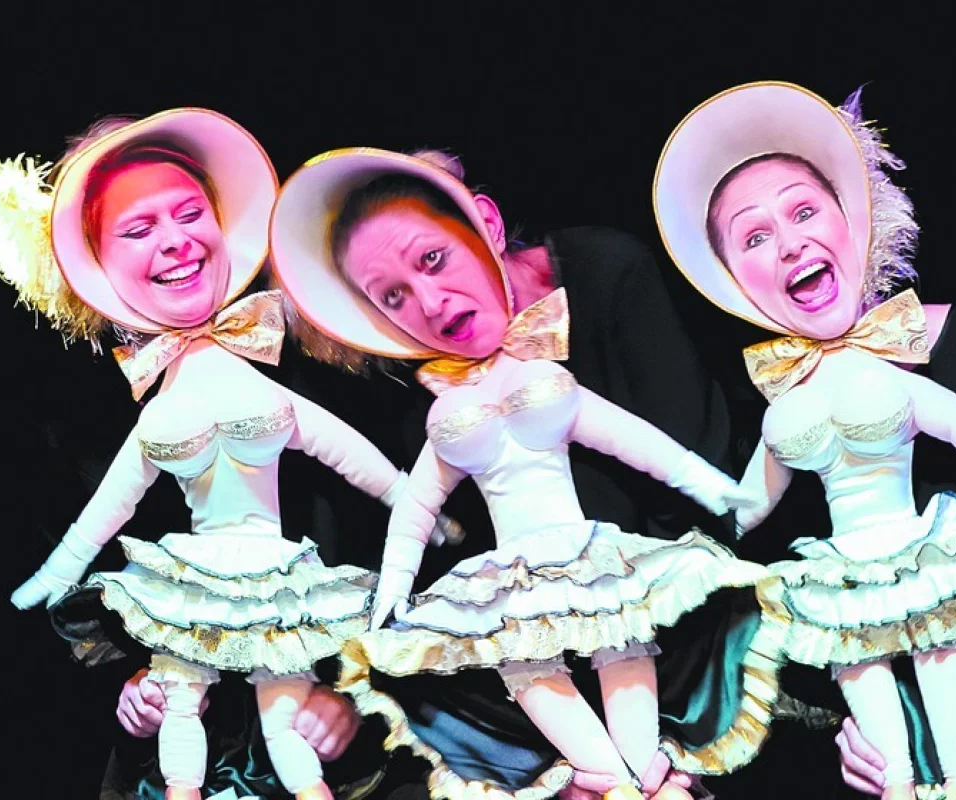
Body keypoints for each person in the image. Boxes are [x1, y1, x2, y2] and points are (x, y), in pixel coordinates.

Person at [653, 82, 956, 798]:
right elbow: (761, 626)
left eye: (803, 210)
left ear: (854, 214)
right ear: (731, 281)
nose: (789, 244)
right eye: (754, 237)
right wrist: (837, 731)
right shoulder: (760, 423)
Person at [269, 148, 786, 799]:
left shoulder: (606, 274)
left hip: (669, 619)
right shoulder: (429, 402)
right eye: (393, 295)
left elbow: (678, 471)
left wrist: (670, 740)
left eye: (434, 259)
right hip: (538, 661)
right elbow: (429, 539)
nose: (428, 301)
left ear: (485, 223)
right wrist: (568, 770)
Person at [0, 110, 452, 800]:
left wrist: (357, 686)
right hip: (178, 747)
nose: (175, 241)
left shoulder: (319, 363)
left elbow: (421, 550)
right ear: (96, 265)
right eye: (139, 229)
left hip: (348, 747)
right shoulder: (70, 418)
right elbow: (65, 586)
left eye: (189, 213)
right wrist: (129, 689)